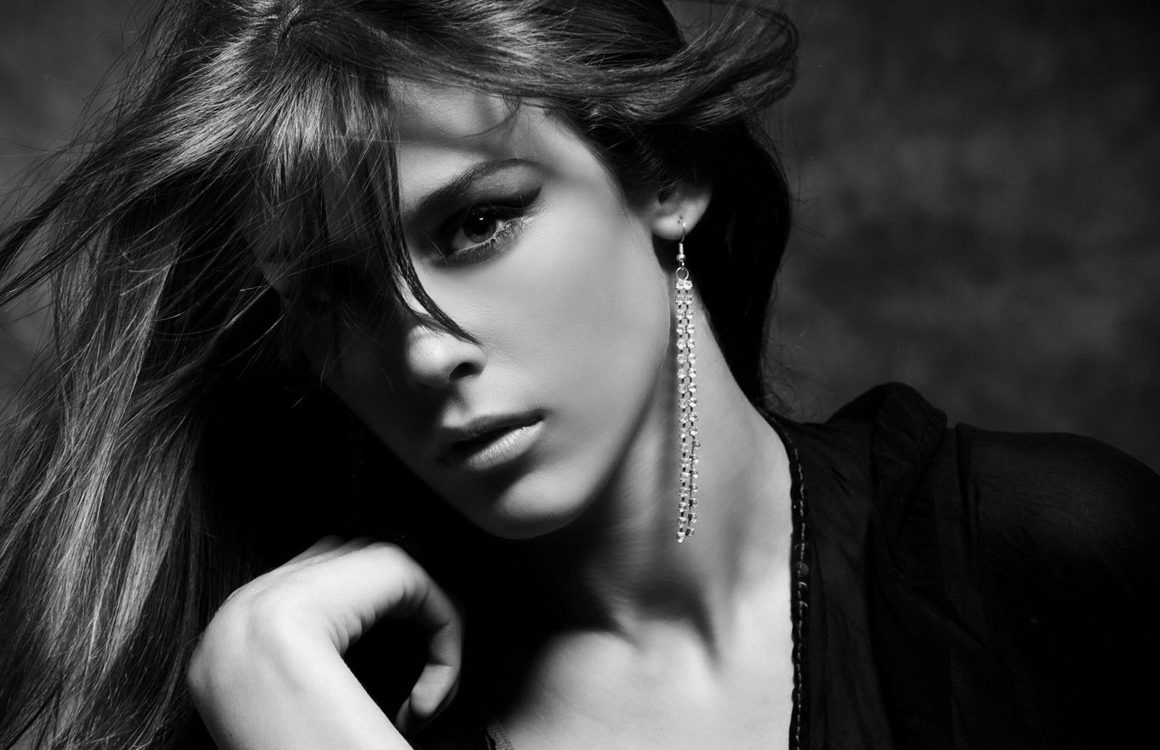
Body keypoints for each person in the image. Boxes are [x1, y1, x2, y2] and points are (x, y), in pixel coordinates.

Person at [0, 1, 1156, 748]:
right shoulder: (318, 696)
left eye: (476, 224)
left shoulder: (1037, 557)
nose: (423, 349)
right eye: (335, 289)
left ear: (662, 174)